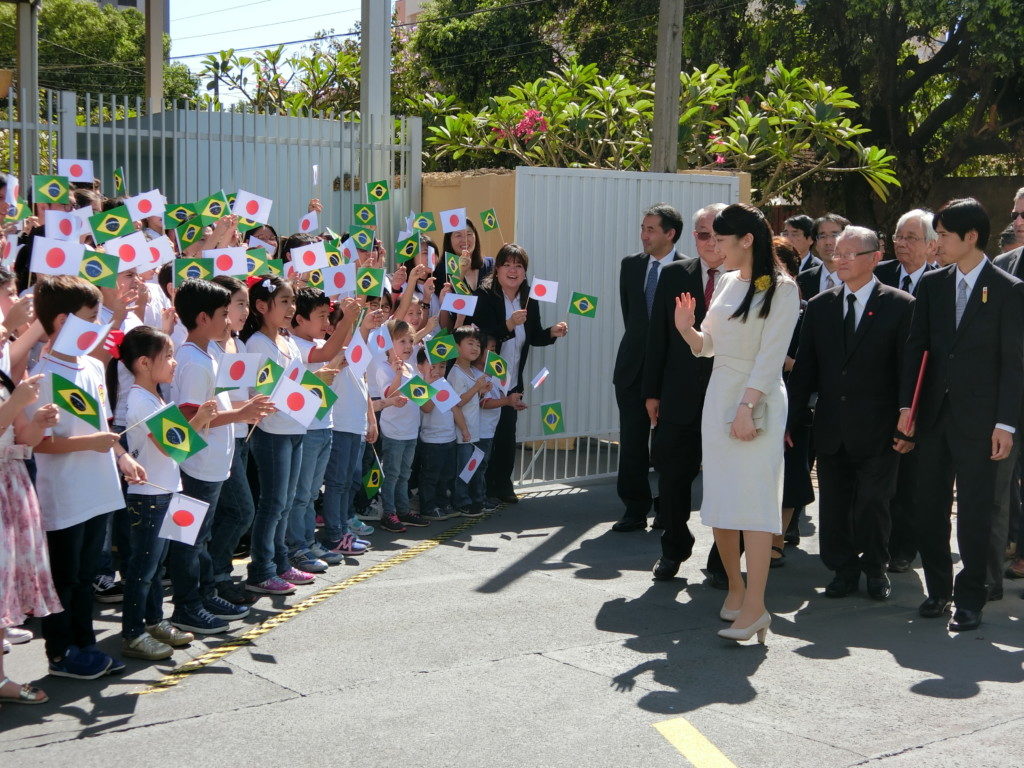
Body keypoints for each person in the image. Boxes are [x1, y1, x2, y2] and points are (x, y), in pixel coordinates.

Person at [672, 204, 799, 644]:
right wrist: (686, 329)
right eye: (710, 240)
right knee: (723, 501)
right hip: (720, 393)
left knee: (756, 504)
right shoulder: (725, 282)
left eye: (721, 241)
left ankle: (758, 605)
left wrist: (747, 408)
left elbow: (769, 358)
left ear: (747, 240)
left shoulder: (782, 289)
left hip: (756, 397)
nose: (713, 248)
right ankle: (738, 589)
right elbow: (708, 345)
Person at [897, 198, 1024, 631]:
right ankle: (938, 590)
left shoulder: (1009, 289)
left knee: (975, 512)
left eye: (944, 236)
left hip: (982, 422)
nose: (937, 245)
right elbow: (916, 349)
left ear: (971, 237)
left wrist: (1005, 423)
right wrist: (906, 409)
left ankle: (971, 597)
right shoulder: (932, 286)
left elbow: (1014, 363)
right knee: (928, 508)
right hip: (933, 418)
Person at [787, 227, 915, 601]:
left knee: (875, 503)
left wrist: (906, 423)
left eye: (848, 255)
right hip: (831, 426)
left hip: (879, 428)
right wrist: (791, 420)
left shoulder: (900, 305)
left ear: (875, 257)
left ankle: (875, 568)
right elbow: (805, 369)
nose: (838, 260)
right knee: (836, 504)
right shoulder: (821, 306)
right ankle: (842, 569)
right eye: (836, 254)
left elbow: (907, 371)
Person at [28, 275, 147, 678]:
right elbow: (39, 444)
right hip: (64, 495)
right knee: (65, 580)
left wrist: (119, 456)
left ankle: (85, 646)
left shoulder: (93, 366)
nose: (100, 326)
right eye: (91, 317)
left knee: (83, 578)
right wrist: (93, 443)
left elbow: (101, 425)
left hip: (99, 490)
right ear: (62, 321)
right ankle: (61, 653)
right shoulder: (42, 376)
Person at [169, 279, 269, 633]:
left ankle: (204, 593)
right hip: (195, 466)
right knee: (188, 541)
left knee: (201, 538)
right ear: (201, 317)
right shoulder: (193, 361)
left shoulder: (208, 353)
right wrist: (242, 415)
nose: (229, 321)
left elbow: (218, 406)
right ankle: (187, 606)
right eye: (224, 313)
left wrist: (248, 407)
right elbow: (192, 418)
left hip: (212, 465)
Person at [642, 203, 727, 584]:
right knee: (673, 481)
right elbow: (658, 336)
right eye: (702, 234)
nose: (709, 242)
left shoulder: (747, 280)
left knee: (727, 485)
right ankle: (673, 548)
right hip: (678, 398)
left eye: (716, 234)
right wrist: (652, 392)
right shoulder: (676, 274)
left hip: (727, 399)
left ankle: (723, 559)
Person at [120, 327, 209, 659]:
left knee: (155, 566)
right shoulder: (141, 400)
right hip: (149, 495)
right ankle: (132, 633)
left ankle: (154, 621)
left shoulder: (154, 395)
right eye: (168, 356)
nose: (173, 363)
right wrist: (199, 420)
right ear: (144, 362)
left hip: (166, 489)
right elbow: (174, 447)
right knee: (142, 568)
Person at [470, 244, 566, 504]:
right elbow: (480, 335)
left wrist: (551, 333)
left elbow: (533, 336)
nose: (513, 270)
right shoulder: (484, 295)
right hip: (485, 378)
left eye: (519, 266)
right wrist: (508, 324)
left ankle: (503, 485)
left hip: (512, 378)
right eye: (508, 265)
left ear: (525, 272)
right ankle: (479, 488)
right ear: (498, 269)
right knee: (482, 435)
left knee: (506, 433)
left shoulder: (529, 298)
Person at [610, 205, 685, 531]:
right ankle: (634, 508)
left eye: (652, 229)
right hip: (632, 368)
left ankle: (667, 509)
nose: (644, 235)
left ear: (670, 234)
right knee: (633, 441)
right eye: (643, 227)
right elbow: (633, 316)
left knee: (669, 445)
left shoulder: (686, 270)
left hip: (672, 372)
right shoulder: (630, 266)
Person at [242, 276, 316, 596]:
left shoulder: (287, 340)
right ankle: (261, 568)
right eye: (284, 301)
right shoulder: (256, 343)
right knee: (272, 503)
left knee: (284, 503)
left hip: (295, 427)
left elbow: (296, 383)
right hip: (271, 432)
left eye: (293, 301)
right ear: (262, 306)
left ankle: (281, 562)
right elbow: (259, 390)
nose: (292, 308)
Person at [874, 209, 938, 574]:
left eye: (912, 237)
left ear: (932, 245)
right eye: (898, 235)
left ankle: (903, 547)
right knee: (880, 473)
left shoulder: (942, 281)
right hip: (880, 392)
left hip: (922, 393)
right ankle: (873, 542)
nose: (901, 243)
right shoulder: (879, 276)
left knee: (912, 477)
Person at [0, 371, 61, 704]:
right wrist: (16, 403)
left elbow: (22, 438)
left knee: (4, 584)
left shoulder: (3, 378)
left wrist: (38, 421)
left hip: (11, 484)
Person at [374, 318, 422, 532]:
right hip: (393, 431)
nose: (408, 346)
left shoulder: (411, 368)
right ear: (388, 344)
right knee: (392, 474)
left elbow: (420, 398)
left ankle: (403, 510)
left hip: (411, 430)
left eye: (410, 341)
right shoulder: (385, 368)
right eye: (401, 341)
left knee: (405, 473)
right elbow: (388, 395)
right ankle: (389, 512)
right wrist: (397, 374)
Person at [448, 325, 492, 517]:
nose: (476, 348)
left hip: (472, 430)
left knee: (470, 468)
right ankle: (461, 502)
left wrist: (481, 390)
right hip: (462, 432)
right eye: (470, 343)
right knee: (463, 469)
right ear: (457, 347)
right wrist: (476, 388)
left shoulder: (472, 373)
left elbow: (471, 399)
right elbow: (456, 402)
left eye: (478, 344)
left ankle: (471, 500)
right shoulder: (456, 373)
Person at [797, 214, 849, 299]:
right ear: (816, 243)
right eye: (822, 236)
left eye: (835, 235)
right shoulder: (802, 280)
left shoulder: (858, 278)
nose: (828, 242)